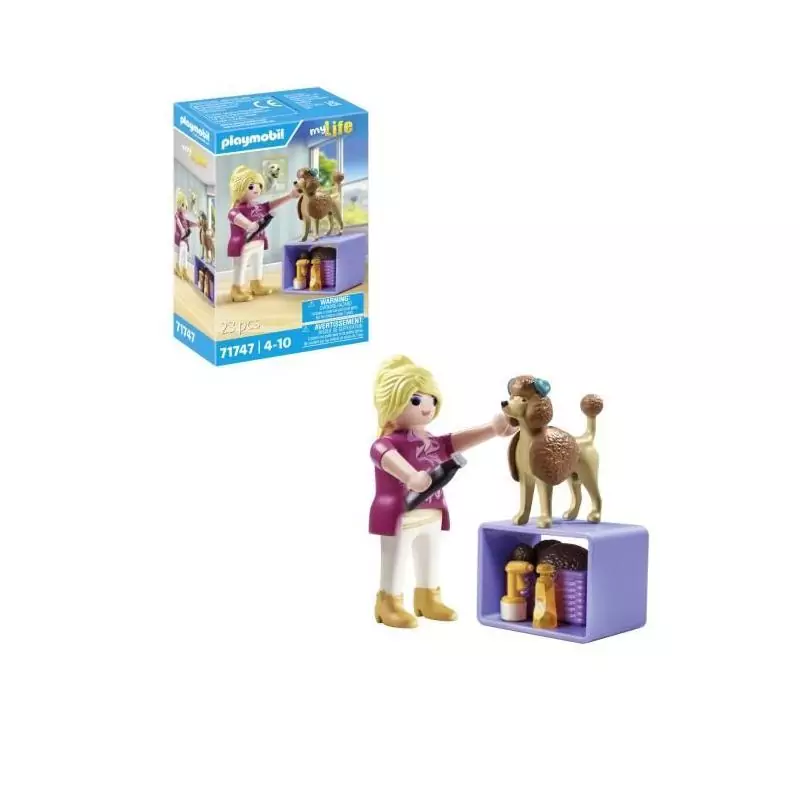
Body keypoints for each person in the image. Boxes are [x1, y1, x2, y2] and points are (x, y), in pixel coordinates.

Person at [369, 355, 515, 628]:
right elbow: (386, 457)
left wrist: (492, 429)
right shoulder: (385, 443)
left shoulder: (430, 439)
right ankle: (388, 602)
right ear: (390, 402)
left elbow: (453, 442)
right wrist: (411, 476)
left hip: (432, 511)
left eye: (432, 399)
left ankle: (428, 598)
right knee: (395, 561)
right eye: (416, 400)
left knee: (430, 558)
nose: (427, 407)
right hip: (401, 513)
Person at [227, 166, 296, 302]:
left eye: (259, 185)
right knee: (240, 266)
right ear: (239, 188)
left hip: (258, 242)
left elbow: (270, 205)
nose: (257, 189)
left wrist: (290, 196)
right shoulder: (236, 209)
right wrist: (248, 225)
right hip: (244, 244)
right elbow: (234, 216)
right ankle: (236, 289)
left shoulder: (257, 206)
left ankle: (256, 284)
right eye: (251, 186)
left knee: (257, 264)